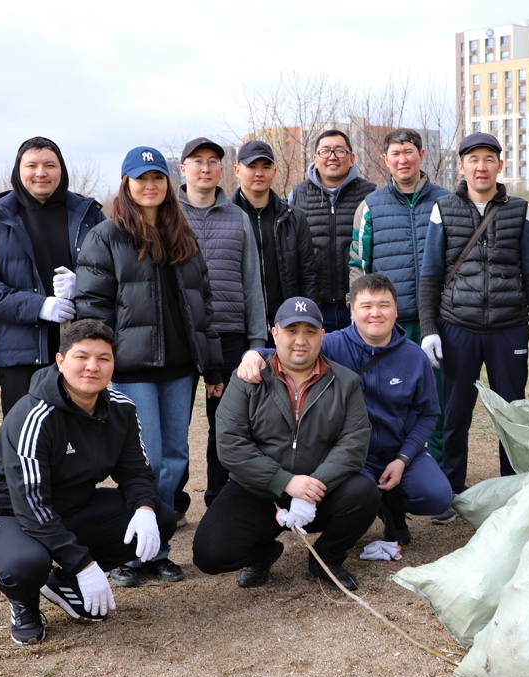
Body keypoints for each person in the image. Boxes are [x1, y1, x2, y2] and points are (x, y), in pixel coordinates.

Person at [0, 319, 177, 644]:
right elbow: (31, 504)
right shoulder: (33, 415)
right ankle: (24, 600)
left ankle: (64, 582)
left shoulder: (121, 409)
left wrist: (145, 508)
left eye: (104, 358)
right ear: (61, 361)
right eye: (82, 357)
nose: (93, 367)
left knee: (160, 517)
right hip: (7, 513)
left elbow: (136, 472)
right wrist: (85, 565)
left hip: (69, 505)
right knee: (28, 564)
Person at [75, 146, 222, 587]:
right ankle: (132, 551)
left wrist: (213, 367)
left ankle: (158, 549)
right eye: (141, 178)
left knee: (175, 460)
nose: (150, 185)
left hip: (179, 369)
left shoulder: (182, 234)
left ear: (168, 183)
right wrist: (99, 364)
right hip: (132, 370)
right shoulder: (105, 237)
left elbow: (204, 306)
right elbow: (92, 308)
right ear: (127, 184)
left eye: (157, 177)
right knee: (148, 460)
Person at [237, 274, 452, 545]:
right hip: (350, 454)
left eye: (384, 305)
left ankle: (393, 508)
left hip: (398, 450)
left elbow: (428, 413)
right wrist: (253, 354)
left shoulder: (414, 357)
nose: (375, 313)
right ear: (352, 311)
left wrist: (403, 458)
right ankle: (363, 512)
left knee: (437, 496)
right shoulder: (331, 346)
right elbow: (287, 350)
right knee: (355, 495)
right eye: (366, 306)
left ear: (396, 310)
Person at [192, 297, 378, 592]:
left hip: (319, 491)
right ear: (275, 333)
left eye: (310, 331)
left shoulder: (346, 382)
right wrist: (285, 481)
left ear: (322, 336)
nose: (300, 340)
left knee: (364, 493)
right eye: (291, 330)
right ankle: (263, 554)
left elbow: (354, 443)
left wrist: (313, 486)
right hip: (259, 492)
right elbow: (230, 443)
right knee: (210, 554)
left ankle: (326, 559)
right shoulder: (246, 379)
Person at [418, 132, 529, 494]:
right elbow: (429, 275)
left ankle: (513, 488)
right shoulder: (443, 209)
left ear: (500, 165)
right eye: (473, 160)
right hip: (457, 326)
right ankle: (451, 489)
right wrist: (429, 328)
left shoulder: (520, 209)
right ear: (461, 166)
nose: (481, 167)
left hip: (509, 327)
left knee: (511, 414)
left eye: (489, 159)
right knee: (455, 414)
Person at [0, 137, 105, 414]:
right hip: (21, 356)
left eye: (50, 165)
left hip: (82, 351)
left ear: (61, 170)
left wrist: (82, 285)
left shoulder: (89, 217)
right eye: (32, 165)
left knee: (82, 430)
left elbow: (111, 274)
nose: (41, 173)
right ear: (19, 170)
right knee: (26, 432)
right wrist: (39, 306)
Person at [349, 128, 451, 466]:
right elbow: (358, 265)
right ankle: (389, 473)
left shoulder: (447, 201)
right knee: (389, 401)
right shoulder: (370, 206)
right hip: (391, 325)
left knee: (439, 401)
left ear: (421, 156)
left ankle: (439, 472)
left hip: (438, 321)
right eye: (395, 153)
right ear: (385, 160)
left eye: (409, 152)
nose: (403, 159)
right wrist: (361, 313)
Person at [178, 136, 268, 517]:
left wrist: (257, 340)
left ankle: (219, 502)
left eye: (212, 161)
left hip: (229, 336)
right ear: (183, 169)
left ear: (222, 170)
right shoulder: (167, 214)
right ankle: (172, 502)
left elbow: (253, 283)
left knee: (226, 426)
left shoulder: (238, 217)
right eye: (197, 161)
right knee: (175, 425)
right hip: (179, 336)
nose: (205, 167)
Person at [290, 129, 376, 332]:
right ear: (315, 159)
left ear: (351, 158)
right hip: (314, 305)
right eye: (325, 151)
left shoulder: (371, 195)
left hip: (359, 304)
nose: (332, 157)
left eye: (339, 150)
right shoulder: (298, 195)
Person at [230, 140, 317, 326]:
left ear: (274, 171)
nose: (259, 173)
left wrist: (305, 320)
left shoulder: (294, 218)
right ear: (237, 170)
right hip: (240, 325)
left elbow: (308, 274)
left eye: (266, 166)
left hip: (286, 322)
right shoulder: (225, 218)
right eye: (251, 166)